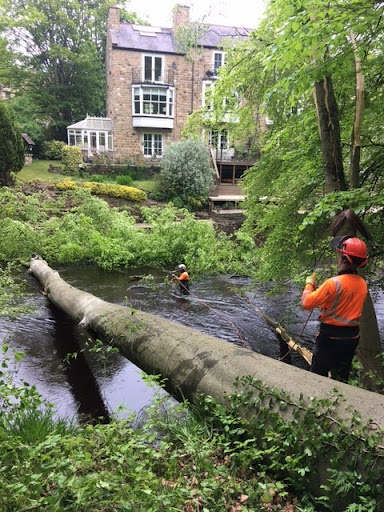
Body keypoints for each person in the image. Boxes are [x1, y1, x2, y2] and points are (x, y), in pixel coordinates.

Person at [301, 236, 368, 382]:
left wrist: (309, 284)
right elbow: (344, 302)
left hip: (329, 338)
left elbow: (306, 303)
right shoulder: (362, 284)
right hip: (351, 338)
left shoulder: (333, 284)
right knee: (341, 377)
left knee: (318, 376)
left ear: (343, 259)